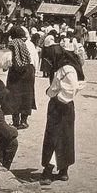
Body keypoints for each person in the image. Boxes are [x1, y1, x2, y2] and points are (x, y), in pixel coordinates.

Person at [39, 41, 86, 182]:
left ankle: (48, 171)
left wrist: (55, 95)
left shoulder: (65, 69)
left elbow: (67, 88)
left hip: (59, 104)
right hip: (67, 106)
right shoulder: (73, 67)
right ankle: (63, 170)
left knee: (54, 137)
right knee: (66, 137)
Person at [2, 27, 36, 129]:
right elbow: (35, 59)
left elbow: (7, 60)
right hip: (29, 71)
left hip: (16, 72)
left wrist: (4, 67)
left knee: (14, 95)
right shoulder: (30, 44)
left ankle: (15, 122)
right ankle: (24, 121)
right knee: (27, 95)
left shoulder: (13, 44)